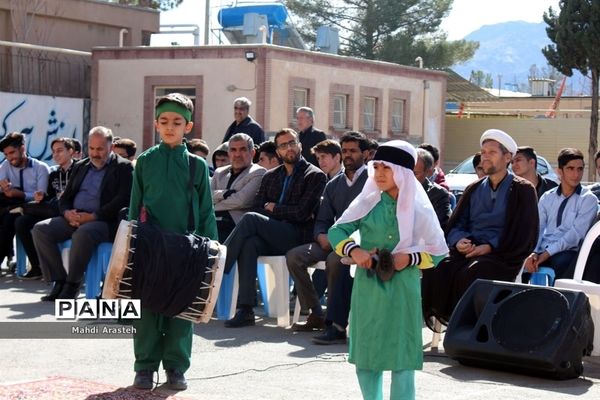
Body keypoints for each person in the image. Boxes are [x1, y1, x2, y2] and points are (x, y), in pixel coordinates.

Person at [328, 140, 448, 400]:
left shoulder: (418, 208)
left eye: (387, 168)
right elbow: (337, 231)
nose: (379, 173)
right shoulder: (368, 201)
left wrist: (411, 257)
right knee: (367, 358)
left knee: (402, 358)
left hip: (403, 289)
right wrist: (354, 250)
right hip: (369, 287)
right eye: (377, 166)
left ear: (403, 172)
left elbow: (438, 254)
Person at [128, 93, 217, 391]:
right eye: (164, 121)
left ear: (188, 127)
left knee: (182, 310)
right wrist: (131, 244)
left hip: (187, 249)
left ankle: (176, 367)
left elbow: (206, 210)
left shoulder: (196, 166)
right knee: (147, 311)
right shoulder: (144, 162)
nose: (169, 127)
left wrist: (212, 252)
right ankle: (144, 367)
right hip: (150, 248)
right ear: (155, 124)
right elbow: (134, 206)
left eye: (177, 122)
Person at [421, 129, 539, 326]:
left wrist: (491, 247)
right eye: (483, 152)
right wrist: (459, 241)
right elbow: (456, 223)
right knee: (438, 266)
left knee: (476, 271)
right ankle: (455, 326)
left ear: (507, 157)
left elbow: (525, 233)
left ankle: (472, 329)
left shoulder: (523, 190)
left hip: (502, 255)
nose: (485, 157)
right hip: (469, 250)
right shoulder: (474, 188)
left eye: (491, 153)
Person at [223, 128, 326, 328]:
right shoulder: (270, 177)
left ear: (300, 145)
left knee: (251, 219)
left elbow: (302, 214)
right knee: (250, 243)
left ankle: (217, 267)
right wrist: (277, 210)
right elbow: (257, 207)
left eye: (292, 143)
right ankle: (246, 309)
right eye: (283, 145)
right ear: (277, 151)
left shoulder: (315, 176)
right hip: (274, 234)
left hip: (298, 237)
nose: (289, 148)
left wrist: (274, 208)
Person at [32, 126, 133, 300]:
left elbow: (122, 200)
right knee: (40, 230)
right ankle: (60, 280)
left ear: (111, 146)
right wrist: (66, 213)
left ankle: (73, 284)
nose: (95, 153)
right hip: (75, 217)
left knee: (83, 233)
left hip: (104, 221)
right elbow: (65, 197)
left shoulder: (124, 167)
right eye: (91, 148)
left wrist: (93, 216)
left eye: (100, 149)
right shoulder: (81, 166)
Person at [286, 131, 369, 335]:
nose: (348, 155)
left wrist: (344, 242)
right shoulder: (334, 184)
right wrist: (321, 235)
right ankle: (316, 313)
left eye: (353, 151)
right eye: (345, 150)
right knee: (295, 256)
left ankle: (336, 323)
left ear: (365, 154)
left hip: (359, 244)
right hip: (332, 240)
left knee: (335, 260)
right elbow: (322, 219)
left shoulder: (373, 182)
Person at [523, 148, 597, 280]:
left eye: (580, 169)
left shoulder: (588, 199)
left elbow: (575, 235)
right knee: (521, 262)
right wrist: (534, 252)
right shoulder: (547, 197)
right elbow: (537, 228)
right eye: (571, 168)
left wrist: (546, 254)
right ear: (559, 171)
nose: (576, 174)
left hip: (567, 252)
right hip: (543, 249)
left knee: (560, 262)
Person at [16, 137, 75, 280]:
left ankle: (22, 207)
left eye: (60, 151)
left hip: (70, 211)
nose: (56, 155)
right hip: (53, 210)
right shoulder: (54, 173)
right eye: (54, 152)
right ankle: (37, 267)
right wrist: (40, 196)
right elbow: (48, 197)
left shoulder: (80, 170)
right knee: (21, 222)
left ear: (71, 151)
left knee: (46, 209)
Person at [0, 132, 50, 270]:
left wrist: (20, 194)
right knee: (7, 215)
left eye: (12, 153)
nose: (10, 158)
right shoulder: (5, 166)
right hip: (11, 206)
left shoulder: (40, 168)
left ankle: (37, 266)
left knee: (11, 219)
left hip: (33, 209)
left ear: (22, 148)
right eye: (6, 155)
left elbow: (40, 197)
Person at [211, 133, 266, 242]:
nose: (237, 154)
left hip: (236, 227)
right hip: (212, 223)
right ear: (229, 153)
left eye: (242, 149)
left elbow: (241, 201)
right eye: (233, 150)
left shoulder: (259, 172)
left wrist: (214, 205)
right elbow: (207, 197)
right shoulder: (219, 172)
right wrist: (225, 194)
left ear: (252, 153)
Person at [414, 148, 451, 230]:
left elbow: (440, 226)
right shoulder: (396, 190)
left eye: (415, 173)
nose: (410, 177)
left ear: (427, 172)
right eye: (407, 172)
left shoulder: (438, 194)